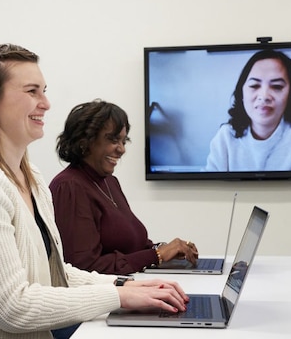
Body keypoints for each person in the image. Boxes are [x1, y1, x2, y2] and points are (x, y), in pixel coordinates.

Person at [0, 44, 189, 339]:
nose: (46, 103)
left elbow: (55, 274)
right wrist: (119, 297)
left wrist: (121, 285)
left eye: (44, 90)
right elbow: (12, 307)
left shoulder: (30, 176)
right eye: (32, 91)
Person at [50, 100, 198, 276]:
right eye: (113, 140)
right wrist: (156, 255)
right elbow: (82, 267)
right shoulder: (69, 187)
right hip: (105, 299)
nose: (121, 150)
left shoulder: (109, 182)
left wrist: (166, 250)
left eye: (124, 141)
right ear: (84, 141)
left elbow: (132, 247)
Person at [205, 49, 291, 171]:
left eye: (277, 86)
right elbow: (209, 187)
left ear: (289, 95)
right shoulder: (225, 137)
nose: (264, 96)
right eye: (254, 86)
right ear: (241, 93)